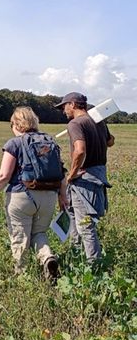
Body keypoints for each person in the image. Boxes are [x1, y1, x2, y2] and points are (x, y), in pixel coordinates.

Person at [0, 107, 66, 280]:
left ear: (17, 124)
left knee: (19, 236)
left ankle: (22, 276)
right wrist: (62, 197)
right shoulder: (50, 142)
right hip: (49, 196)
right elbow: (62, 173)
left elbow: (4, 175)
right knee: (39, 233)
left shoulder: (14, 143)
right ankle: (47, 258)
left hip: (22, 196)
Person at [55, 92, 115, 265]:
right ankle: (76, 254)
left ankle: (93, 265)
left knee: (85, 225)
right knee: (72, 215)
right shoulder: (98, 121)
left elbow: (80, 150)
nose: (63, 111)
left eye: (64, 106)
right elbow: (111, 141)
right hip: (99, 175)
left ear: (73, 104)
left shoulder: (75, 124)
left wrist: (72, 173)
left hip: (84, 177)